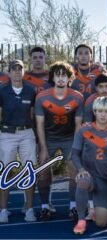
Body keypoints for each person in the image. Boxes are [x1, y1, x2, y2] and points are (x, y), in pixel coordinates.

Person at [35, 61, 84, 221]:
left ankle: (73, 206)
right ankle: (45, 206)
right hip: (48, 137)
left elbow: (78, 125)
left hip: (69, 137)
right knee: (42, 171)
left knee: (74, 169)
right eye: (58, 75)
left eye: (64, 75)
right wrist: (42, 148)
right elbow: (40, 124)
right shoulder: (42, 96)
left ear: (70, 78)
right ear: (53, 77)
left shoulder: (77, 97)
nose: (61, 78)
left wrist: (75, 149)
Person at [72, 96, 107, 234]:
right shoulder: (84, 129)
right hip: (90, 175)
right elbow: (74, 154)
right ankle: (81, 220)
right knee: (82, 180)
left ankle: (102, 207)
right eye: (100, 111)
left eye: (106, 111)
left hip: (106, 180)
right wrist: (81, 169)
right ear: (94, 112)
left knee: (101, 223)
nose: (103, 114)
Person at [0, 60, 37, 223]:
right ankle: (3, 210)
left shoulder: (30, 91)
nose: (16, 72)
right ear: (8, 72)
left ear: (24, 72)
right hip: (7, 133)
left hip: (26, 133)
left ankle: (29, 209)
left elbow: (34, 114)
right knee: (5, 172)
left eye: (19, 69)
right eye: (13, 69)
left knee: (29, 171)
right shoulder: (2, 91)